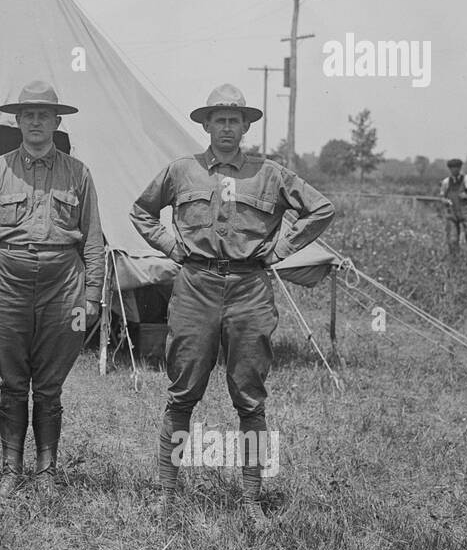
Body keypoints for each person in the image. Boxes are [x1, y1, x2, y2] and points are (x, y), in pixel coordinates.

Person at [130, 83, 334, 526]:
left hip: (249, 288)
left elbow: (320, 210)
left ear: (245, 127)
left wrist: (280, 251)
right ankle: (165, 491)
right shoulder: (182, 171)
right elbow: (142, 211)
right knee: (182, 392)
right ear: (205, 125)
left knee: (250, 397)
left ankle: (251, 499)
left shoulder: (270, 173)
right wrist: (171, 245)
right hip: (195, 284)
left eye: (234, 121)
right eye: (218, 120)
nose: (226, 127)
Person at [0, 80, 105, 498]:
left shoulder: (78, 173)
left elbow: (93, 236)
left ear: (57, 121)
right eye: (29, 115)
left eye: (45, 115)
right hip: (6, 278)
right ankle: (11, 469)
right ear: (18, 121)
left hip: (63, 282)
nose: (36, 122)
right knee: (11, 380)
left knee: (49, 382)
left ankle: (47, 471)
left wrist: (92, 295)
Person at [438, 158, 467, 253]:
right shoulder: (446, 182)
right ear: (449, 169)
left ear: (460, 168)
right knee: (452, 239)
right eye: (452, 168)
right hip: (452, 213)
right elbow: (442, 197)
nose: (454, 170)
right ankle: (455, 262)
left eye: (456, 168)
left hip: (466, 212)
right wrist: (445, 201)